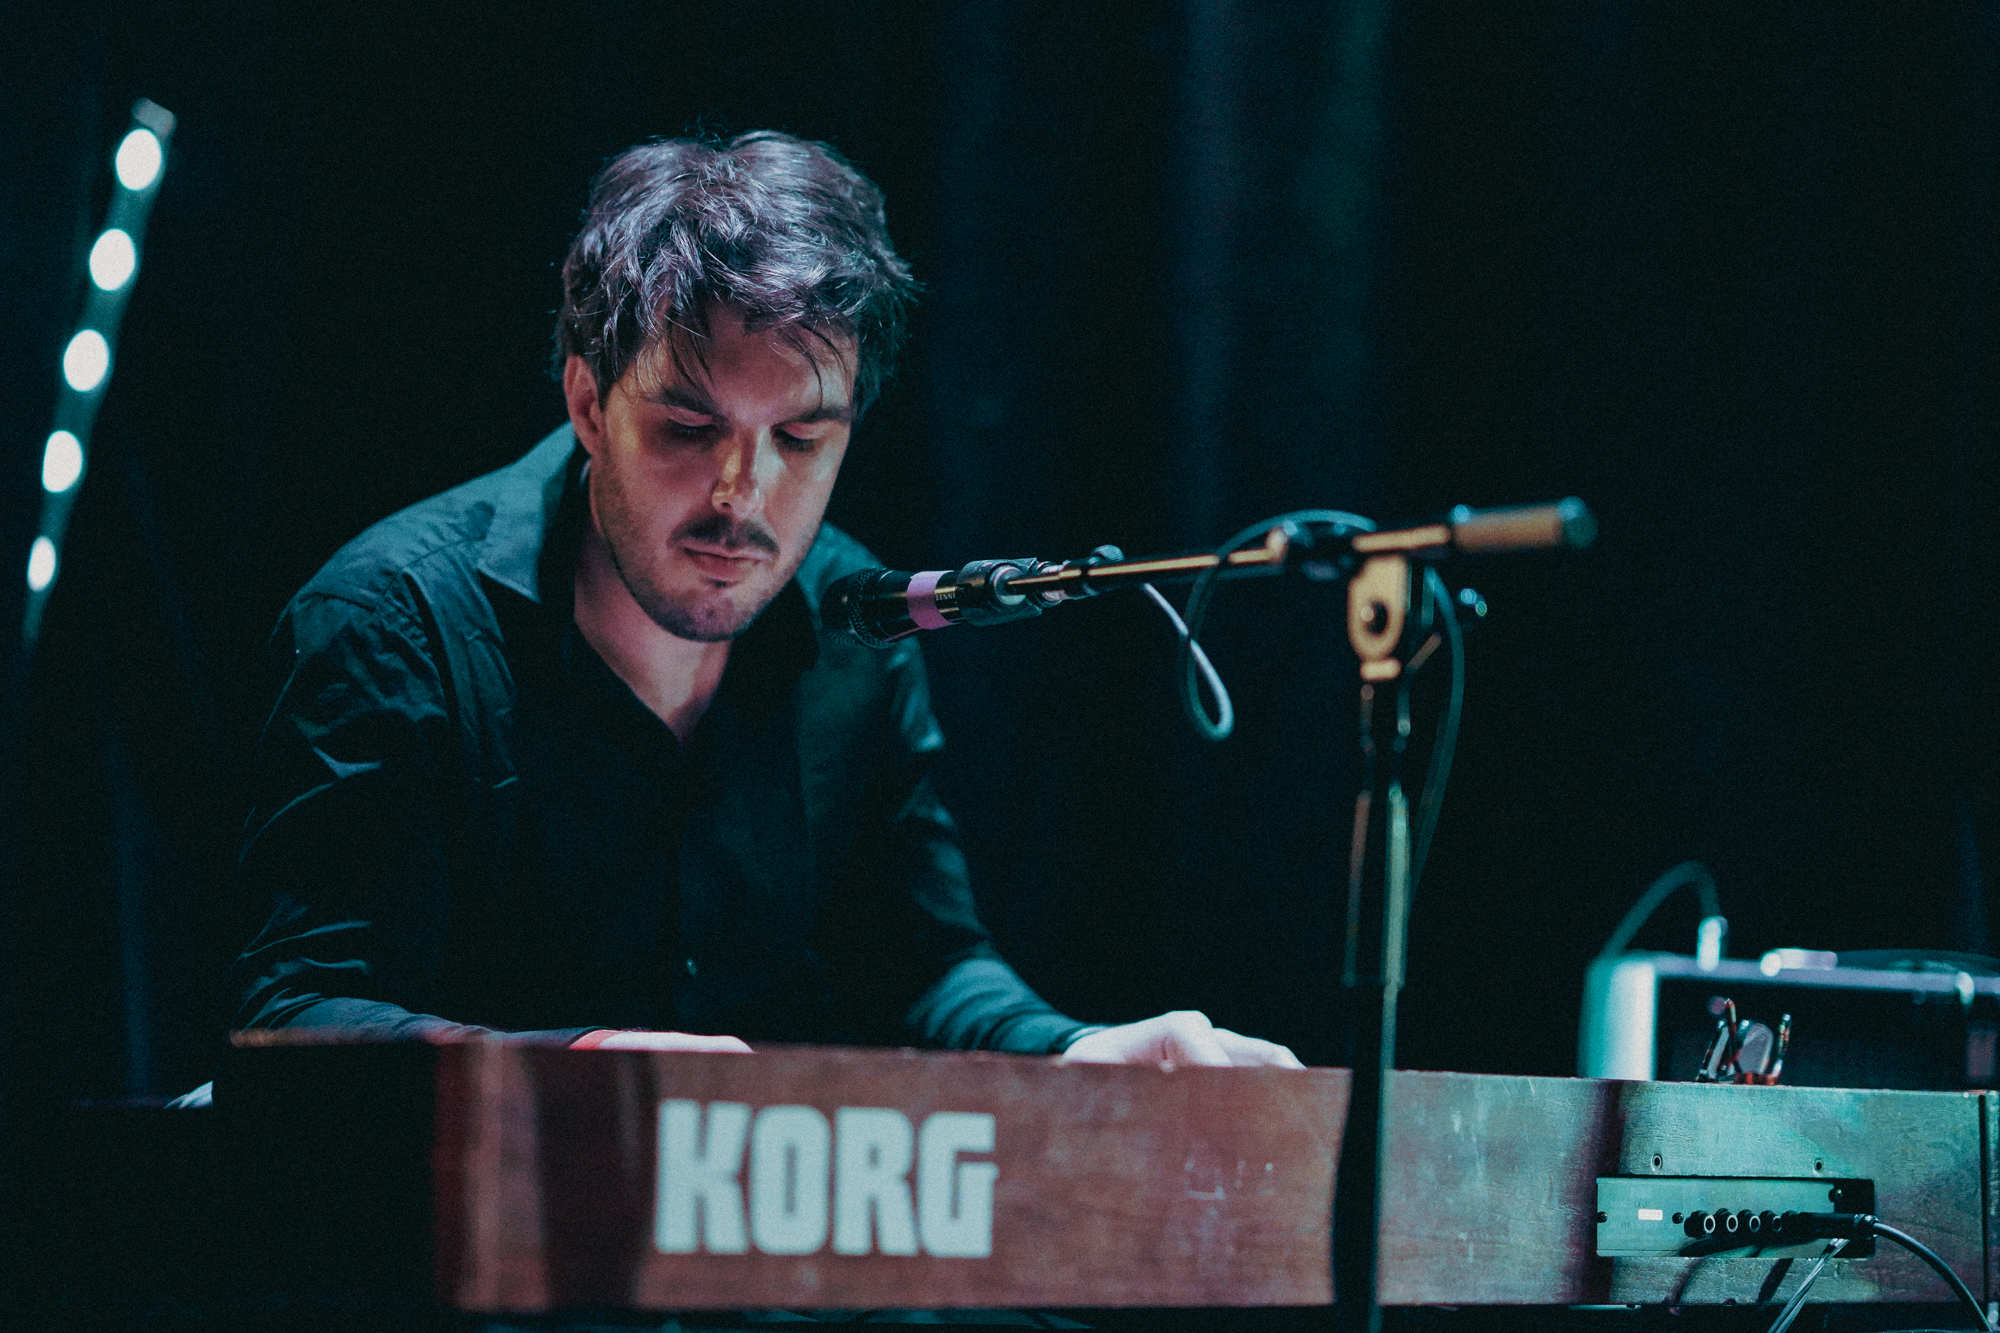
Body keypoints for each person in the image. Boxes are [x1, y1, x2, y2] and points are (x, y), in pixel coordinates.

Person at [228, 131, 1300, 1072]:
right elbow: (297, 1011)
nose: (742, 493)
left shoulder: (854, 625)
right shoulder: (393, 623)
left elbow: (920, 966)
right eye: (689, 430)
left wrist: (1074, 1049)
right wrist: (585, 1066)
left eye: (799, 437)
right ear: (589, 403)